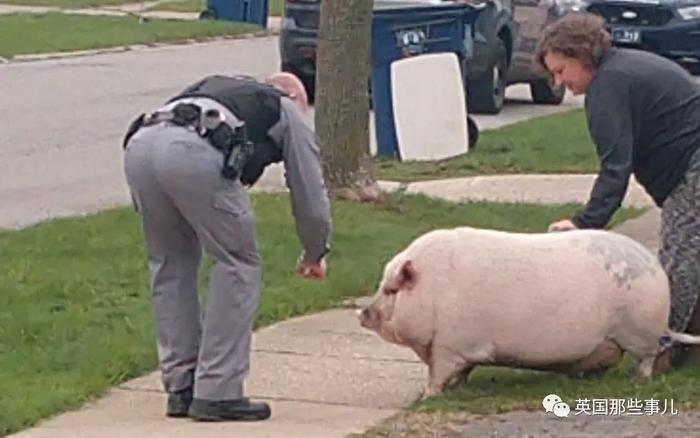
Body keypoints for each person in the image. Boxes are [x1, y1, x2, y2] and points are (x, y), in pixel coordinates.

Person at [122, 72, 331, 421]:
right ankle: (217, 391)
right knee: (237, 262)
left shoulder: (217, 88)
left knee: (169, 262)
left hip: (140, 145)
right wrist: (314, 252)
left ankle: (181, 385)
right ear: (297, 98)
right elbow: (311, 197)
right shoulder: (285, 109)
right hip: (191, 154)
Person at [535, 12, 700, 374]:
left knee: (676, 266)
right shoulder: (623, 68)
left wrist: (583, 224)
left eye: (562, 70)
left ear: (581, 56)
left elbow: (615, 169)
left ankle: (659, 355)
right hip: (688, 163)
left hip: (692, 165)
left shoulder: (607, 88)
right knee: (689, 256)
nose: (559, 82)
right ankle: (688, 349)